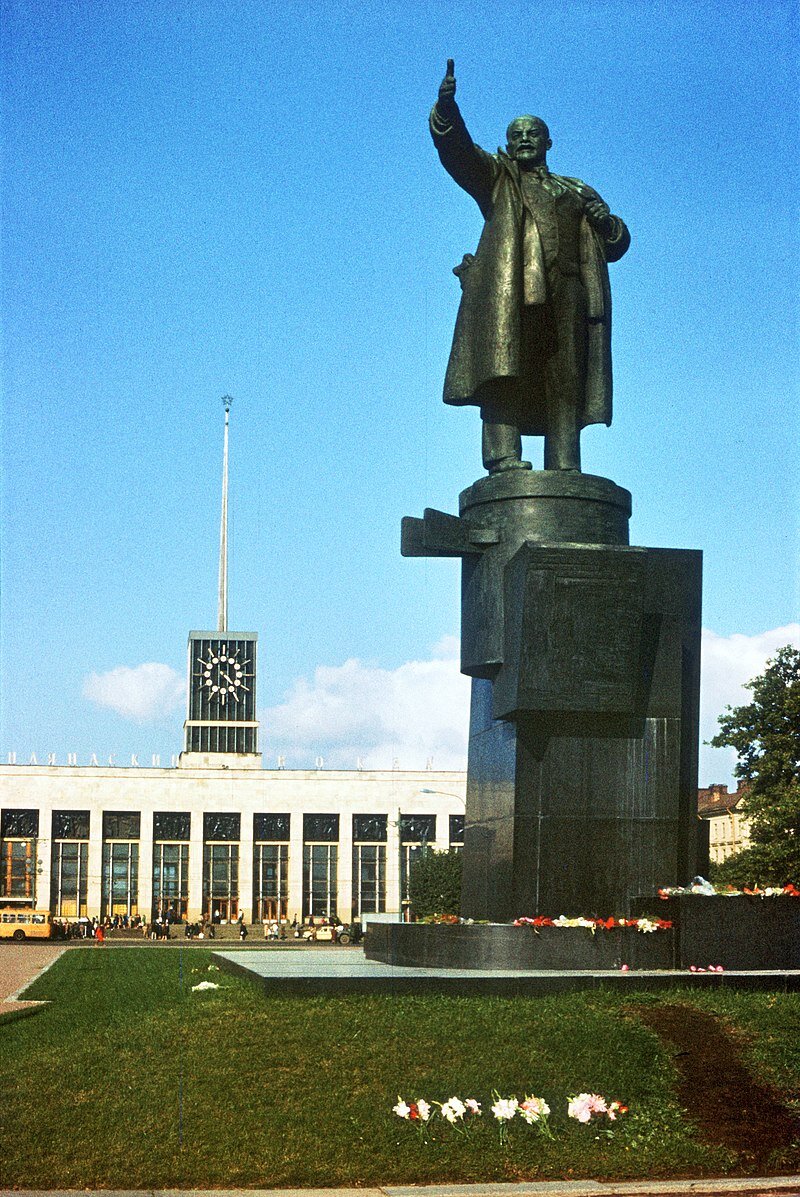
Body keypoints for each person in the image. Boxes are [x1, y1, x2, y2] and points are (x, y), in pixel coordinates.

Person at [430, 60, 630, 474]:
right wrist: (446, 113)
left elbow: (616, 244)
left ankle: (564, 464)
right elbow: (458, 153)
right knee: (506, 368)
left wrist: (606, 221)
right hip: (516, 290)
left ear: (548, 142)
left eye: (532, 134)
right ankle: (503, 456)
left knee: (565, 375)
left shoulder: (575, 189)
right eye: (515, 135)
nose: (524, 140)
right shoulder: (498, 178)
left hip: (569, 291)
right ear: (508, 144)